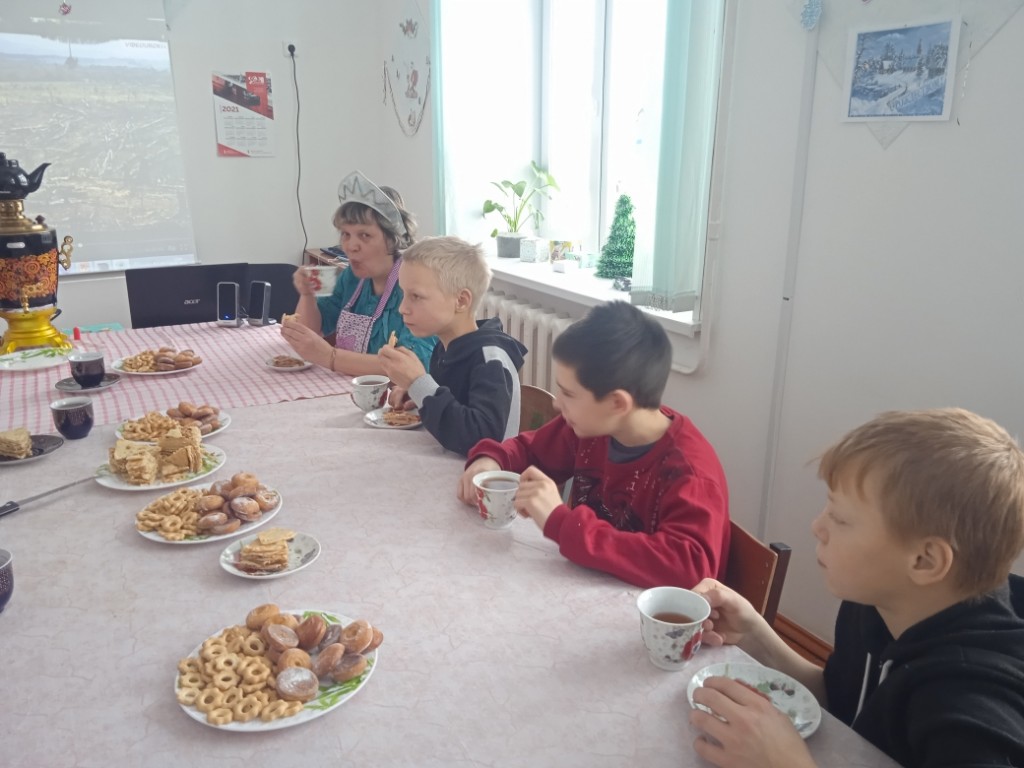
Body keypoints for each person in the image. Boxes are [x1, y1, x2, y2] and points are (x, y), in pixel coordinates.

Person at [689, 408, 1024, 768]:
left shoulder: (970, 710)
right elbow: (841, 698)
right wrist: (755, 633)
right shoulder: (879, 601)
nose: (818, 527)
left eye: (840, 518)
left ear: (924, 561)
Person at [457, 300, 729, 588]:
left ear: (617, 403)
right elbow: (529, 450)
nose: (557, 404)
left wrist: (561, 522)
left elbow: (690, 570)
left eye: (569, 394)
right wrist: (491, 459)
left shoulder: (689, 474)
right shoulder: (593, 426)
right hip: (588, 587)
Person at [377, 236, 527, 455]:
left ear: (461, 301)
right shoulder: (445, 348)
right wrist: (420, 396)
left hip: (483, 473)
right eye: (403, 294)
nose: (402, 308)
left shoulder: (490, 360)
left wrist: (419, 384)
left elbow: (481, 438)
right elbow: (454, 409)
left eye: (416, 296)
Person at [281, 170, 436, 376]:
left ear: (393, 240)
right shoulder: (350, 277)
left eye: (365, 235)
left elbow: (409, 366)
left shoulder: (417, 286)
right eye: (346, 234)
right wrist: (308, 294)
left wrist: (330, 357)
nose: (350, 246)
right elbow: (309, 334)